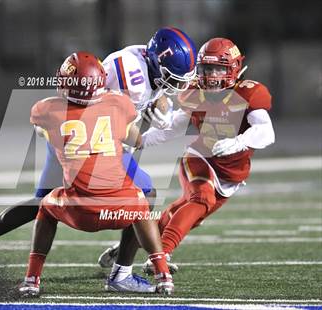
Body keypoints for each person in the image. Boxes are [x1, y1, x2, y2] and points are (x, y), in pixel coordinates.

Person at [0, 27, 197, 293]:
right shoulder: (131, 77)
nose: (177, 85)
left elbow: (140, 102)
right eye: (173, 78)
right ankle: (122, 272)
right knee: (143, 196)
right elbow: (117, 126)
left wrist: (159, 104)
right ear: (157, 63)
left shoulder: (143, 60)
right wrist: (151, 117)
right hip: (86, 139)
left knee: (43, 203)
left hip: (77, 133)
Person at [99, 37, 275, 274]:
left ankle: (126, 247)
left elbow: (266, 132)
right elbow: (174, 128)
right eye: (206, 68)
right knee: (201, 200)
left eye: (218, 68)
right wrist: (140, 143)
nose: (211, 75)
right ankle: (161, 256)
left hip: (230, 172)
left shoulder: (249, 93)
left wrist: (238, 142)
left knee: (184, 214)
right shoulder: (195, 92)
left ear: (233, 68)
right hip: (199, 157)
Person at [17, 51, 173, 296]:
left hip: (80, 212)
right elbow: (136, 139)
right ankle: (163, 275)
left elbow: (42, 130)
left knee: (46, 206)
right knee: (142, 200)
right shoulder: (119, 104)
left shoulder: (47, 109)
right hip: (121, 211)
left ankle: (32, 280)